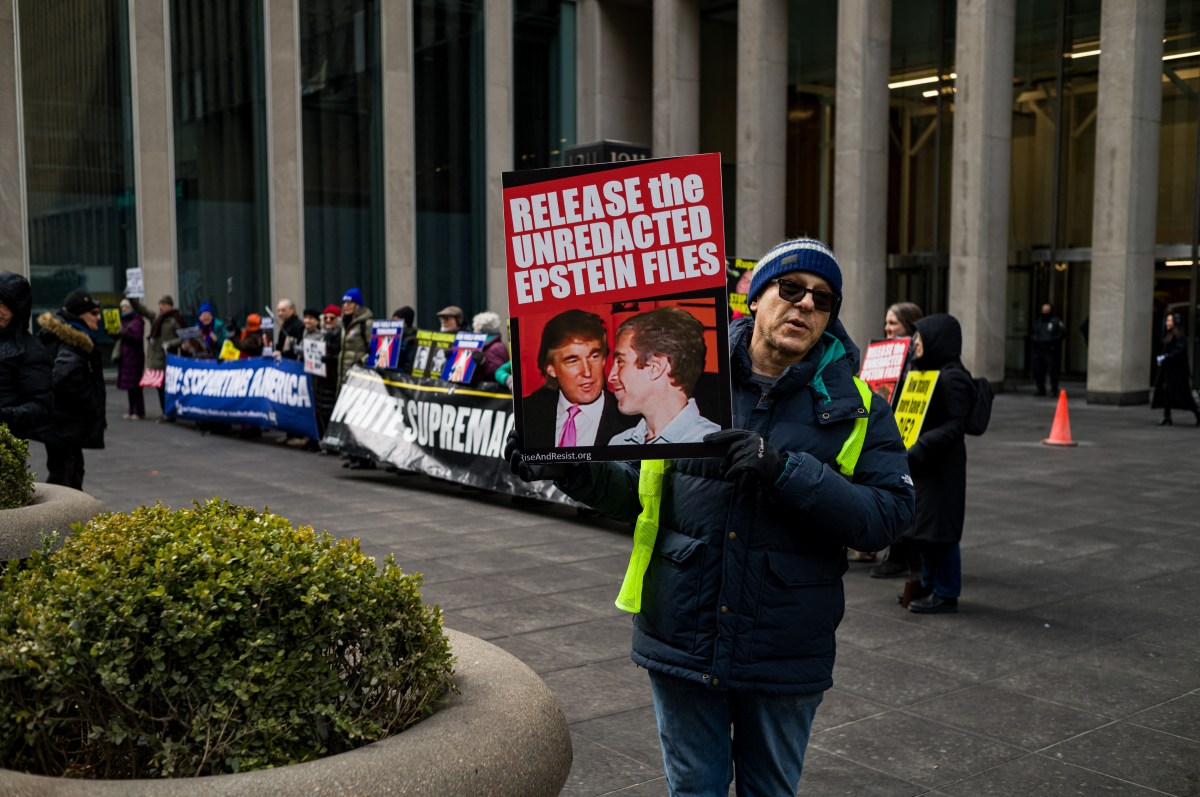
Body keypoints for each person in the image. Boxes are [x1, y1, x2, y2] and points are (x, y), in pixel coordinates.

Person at [506, 237, 914, 795]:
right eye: (791, 289)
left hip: (784, 646)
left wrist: (786, 471)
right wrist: (565, 466)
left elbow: (889, 516)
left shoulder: (859, 406)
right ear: (754, 298)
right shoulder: (690, 383)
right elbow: (636, 493)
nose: (805, 305)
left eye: (822, 300)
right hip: (683, 633)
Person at [902, 313, 974, 614]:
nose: (915, 343)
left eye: (920, 337)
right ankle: (930, 584)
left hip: (943, 465)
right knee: (927, 527)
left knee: (942, 531)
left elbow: (957, 424)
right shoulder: (931, 371)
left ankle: (946, 592)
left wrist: (924, 443)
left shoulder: (952, 376)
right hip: (927, 463)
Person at [521, 309, 635, 449]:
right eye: (573, 361)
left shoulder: (632, 421)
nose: (587, 372)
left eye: (594, 356)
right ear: (551, 368)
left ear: (604, 359)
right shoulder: (526, 414)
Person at [606, 307, 721, 445]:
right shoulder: (619, 443)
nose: (611, 376)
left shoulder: (713, 445)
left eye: (620, 362)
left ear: (655, 368)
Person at [868, 301, 925, 575]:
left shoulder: (919, 357)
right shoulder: (883, 353)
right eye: (886, 323)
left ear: (909, 326)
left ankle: (904, 554)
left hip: (909, 432)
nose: (887, 328)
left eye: (893, 323)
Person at [35, 290, 107, 489]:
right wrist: (89, 400)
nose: (98, 317)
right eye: (94, 313)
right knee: (66, 478)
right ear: (79, 314)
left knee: (68, 473)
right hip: (65, 424)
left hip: (62, 424)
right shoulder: (73, 342)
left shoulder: (63, 336)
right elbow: (63, 376)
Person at [0, 269, 53, 441]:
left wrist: (4, 416)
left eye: (3, 304)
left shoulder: (32, 351)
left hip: (7, 444)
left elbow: (41, 406)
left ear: (17, 307)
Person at [337, 289, 375, 469]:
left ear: (357, 305)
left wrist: (360, 363)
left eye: (349, 303)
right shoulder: (345, 323)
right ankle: (354, 454)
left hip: (359, 376)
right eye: (344, 303)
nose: (345, 306)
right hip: (346, 375)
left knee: (362, 417)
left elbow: (373, 349)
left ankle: (366, 458)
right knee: (350, 417)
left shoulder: (366, 324)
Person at [131, 294, 184, 421]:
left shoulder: (175, 320)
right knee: (159, 388)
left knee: (167, 388)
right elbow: (142, 310)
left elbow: (183, 338)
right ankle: (165, 412)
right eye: (160, 304)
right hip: (156, 360)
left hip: (167, 359)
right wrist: (132, 298)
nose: (161, 307)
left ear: (170, 306)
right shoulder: (156, 318)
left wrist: (170, 343)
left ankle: (169, 413)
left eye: (164, 304)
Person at [1151, 312, 1200, 426]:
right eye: (1167, 320)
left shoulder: (1180, 336)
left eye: (1169, 321)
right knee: (1166, 392)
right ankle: (1167, 416)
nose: (1167, 323)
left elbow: (1179, 350)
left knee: (1183, 396)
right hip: (1169, 371)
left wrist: (1166, 356)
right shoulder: (1169, 335)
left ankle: (1198, 414)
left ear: (1175, 322)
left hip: (1178, 373)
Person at [115, 299, 146, 419]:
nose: (123, 309)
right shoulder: (125, 321)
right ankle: (131, 410)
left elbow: (136, 337)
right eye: (122, 307)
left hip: (134, 357)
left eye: (126, 307)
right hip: (127, 357)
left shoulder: (137, 321)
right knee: (130, 387)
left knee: (135, 386)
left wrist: (123, 333)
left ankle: (138, 411)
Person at [1030, 302, 1066, 396]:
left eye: (1047, 310)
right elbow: (1033, 333)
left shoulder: (1056, 322)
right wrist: (1036, 339)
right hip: (1039, 349)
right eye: (1043, 310)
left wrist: (1051, 340)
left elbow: (1061, 334)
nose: (1045, 311)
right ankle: (1040, 389)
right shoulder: (1038, 321)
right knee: (1039, 370)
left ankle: (1054, 389)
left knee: (1053, 370)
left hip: (1051, 350)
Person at [469, 311, 509, 385]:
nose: (473, 331)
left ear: (480, 329)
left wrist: (483, 362)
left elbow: (495, 374)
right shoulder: (486, 345)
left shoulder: (497, 347)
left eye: (475, 329)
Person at [392, 306, 418, 372]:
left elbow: (408, 368)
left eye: (397, 322)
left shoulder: (410, 340)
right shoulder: (391, 338)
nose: (394, 325)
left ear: (406, 324)